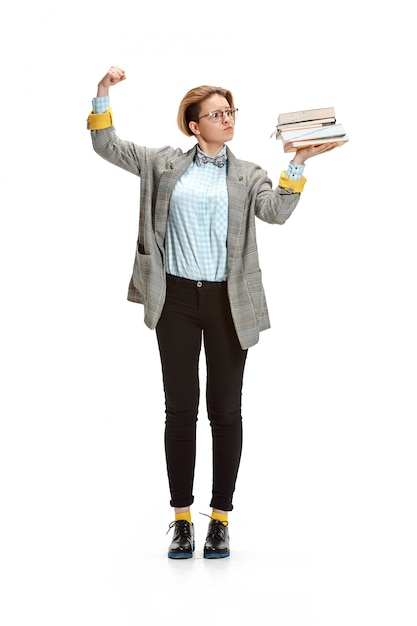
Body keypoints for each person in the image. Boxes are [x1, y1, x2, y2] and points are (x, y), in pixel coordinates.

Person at [87, 66, 338, 560]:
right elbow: (106, 146)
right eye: (217, 113)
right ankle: (181, 519)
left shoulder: (250, 174)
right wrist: (101, 96)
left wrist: (300, 163)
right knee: (179, 410)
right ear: (194, 125)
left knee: (225, 412)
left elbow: (277, 213)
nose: (228, 118)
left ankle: (219, 519)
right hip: (176, 299)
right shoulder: (161, 163)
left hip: (229, 303)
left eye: (231, 111)